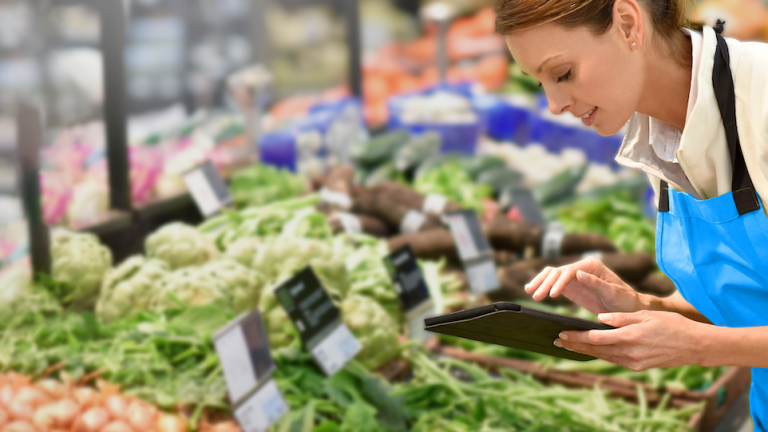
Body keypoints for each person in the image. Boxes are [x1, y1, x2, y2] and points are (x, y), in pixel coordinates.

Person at [495, 0, 768, 428]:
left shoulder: (763, 101)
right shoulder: (655, 134)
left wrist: (697, 346)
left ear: (627, 23)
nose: (554, 104)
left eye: (563, 74)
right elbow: (749, 300)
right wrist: (644, 305)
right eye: (539, 83)